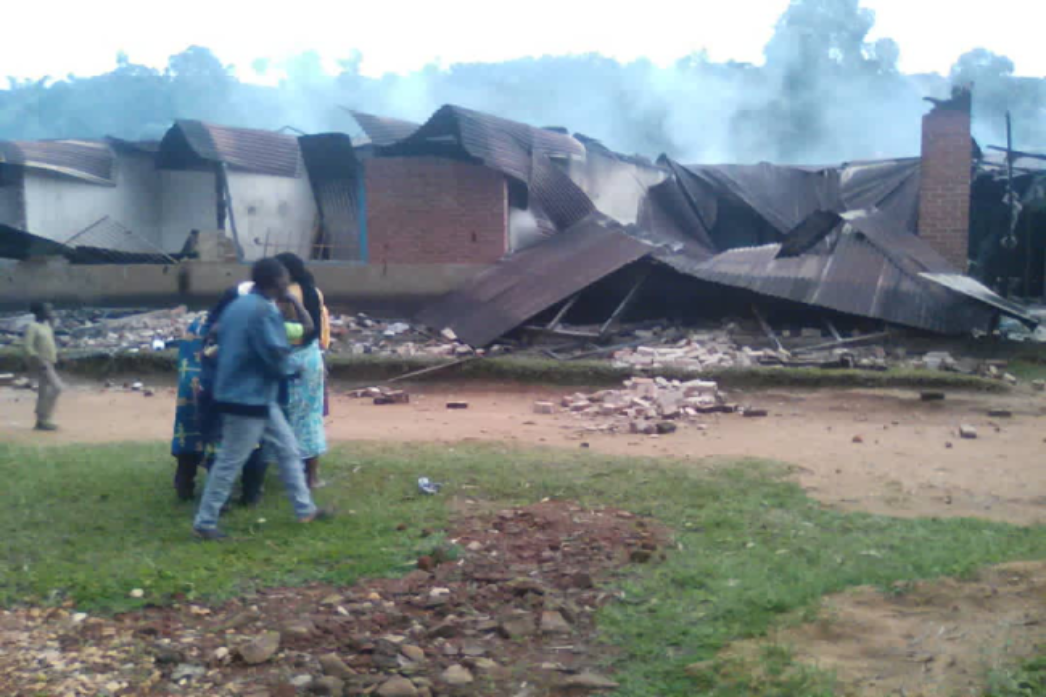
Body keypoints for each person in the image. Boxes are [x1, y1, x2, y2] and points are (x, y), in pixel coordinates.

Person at [192, 258, 329, 540]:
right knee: (230, 460)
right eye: (284, 279)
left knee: (289, 449)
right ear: (275, 281)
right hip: (248, 398)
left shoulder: (237, 306)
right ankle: (205, 522)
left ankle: (305, 509)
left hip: (248, 394)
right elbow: (273, 352)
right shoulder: (263, 311)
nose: (287, 284)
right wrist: (292, 370)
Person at [275, 253, 330, 489]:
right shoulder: (313, 291)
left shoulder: (281, 294)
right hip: (310, 357)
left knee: (281, 417)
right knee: (310, 418)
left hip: (285, 357)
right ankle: (312, 477)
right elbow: (320, 329)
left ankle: (284, 472)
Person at [24, 302, 63, 432]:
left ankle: (40, 421)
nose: (51, 313)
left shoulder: (47, 326)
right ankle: (44, 416)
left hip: (50, 361)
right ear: (39, 312)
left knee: (44, 391)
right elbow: (28, 347)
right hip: (42, 362)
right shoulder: (32, 326)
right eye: (48, 311)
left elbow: (50, 343)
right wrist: (39, 361)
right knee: (58, 387)